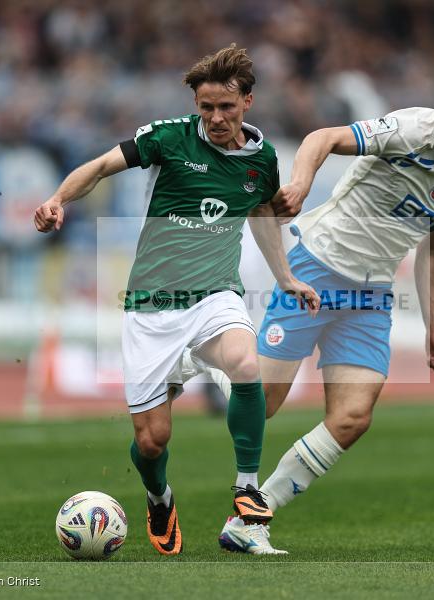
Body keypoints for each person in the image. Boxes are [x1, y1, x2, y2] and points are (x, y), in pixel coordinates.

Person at [186, 81, 434, 553]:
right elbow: (322, 139)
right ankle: (199, 363)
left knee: (353, 417)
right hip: (317, 269)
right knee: (264, 405)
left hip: (372, 296)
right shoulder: (409, 128)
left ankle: (251, 519)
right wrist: (299, 185)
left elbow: (433, 253)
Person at [34, 44, 318, 556]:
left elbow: (261, 215)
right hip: (151, 306)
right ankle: (158, 497)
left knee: (245, 362)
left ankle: (246, 489)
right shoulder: (170, 137)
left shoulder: (263, 161)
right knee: (151, 441)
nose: (214, 117)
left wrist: (287, 277)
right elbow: (100, 166)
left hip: (214, 295)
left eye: (225, 107)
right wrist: (58, 198)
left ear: (248, 102)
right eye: (205, 107)